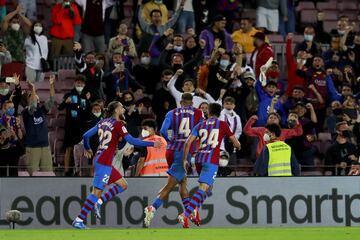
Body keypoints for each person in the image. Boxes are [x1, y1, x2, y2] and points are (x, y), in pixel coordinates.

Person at [72, 101, 161, 229]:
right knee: (96, 192)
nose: (123, 109)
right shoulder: (118, 124)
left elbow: (85, 135)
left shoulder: (102, 122)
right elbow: (131, 140)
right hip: (104, 162)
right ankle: (79, 220)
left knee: (123, 185)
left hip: (100, 159)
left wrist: (87, 148)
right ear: (116, 110)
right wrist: (152, 144)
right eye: (121, 107)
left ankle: (100, 201)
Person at [143, 93, 203, 228]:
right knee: (170, 185)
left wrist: (171, 141)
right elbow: (201, 131)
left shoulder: (172, 112)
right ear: (192, 102)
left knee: (182, 182)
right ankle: (152, 208)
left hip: (171, 150)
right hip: (183, 152)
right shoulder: (197, 112)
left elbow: (163, 130)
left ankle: (188, 214)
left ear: (181, 102)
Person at [178, 103, 240, 228]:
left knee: (208, 188)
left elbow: (188, 142)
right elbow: (235, 142)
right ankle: (186, 213)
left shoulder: (200, 124)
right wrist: (238, 146)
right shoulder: (222, 124)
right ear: (219, 112)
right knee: (203, 188)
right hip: (211, 160)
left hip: (199, 159)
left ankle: (195, 209)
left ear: (209, 112)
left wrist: (185, 159)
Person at [23, 75, 55, 175]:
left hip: (45, 147)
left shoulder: (42, 110)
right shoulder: (26, 112)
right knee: (33, 176)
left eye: (36, 97)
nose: (35, 97)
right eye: (33, 97)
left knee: (48, 174)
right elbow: (32, 106)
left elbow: (51, 100)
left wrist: (52, 84)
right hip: (32, 148)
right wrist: (33, 89)